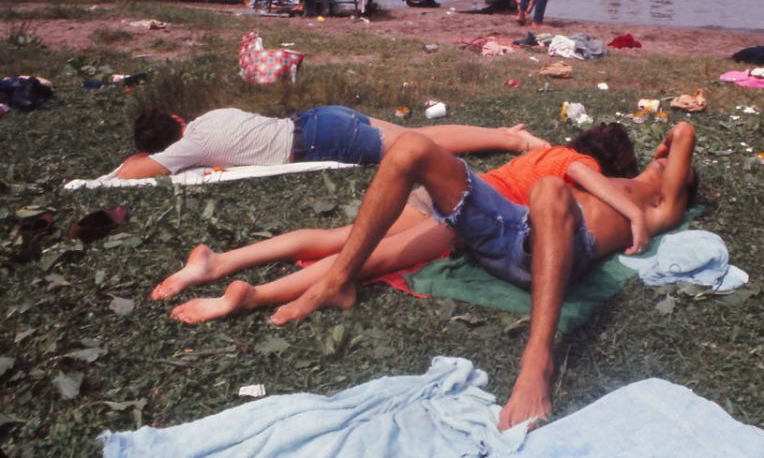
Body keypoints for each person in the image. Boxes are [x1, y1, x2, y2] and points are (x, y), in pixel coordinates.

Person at [255, 121, 697, 431]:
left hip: (555, 250)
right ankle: (338, 282)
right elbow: (675, 135)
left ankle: (537, 361)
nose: (665, 164)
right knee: (411, 147)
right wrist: (659, 152)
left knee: (549, 188)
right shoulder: (613, 184)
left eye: (675, 169)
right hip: (512, 227)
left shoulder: (659, 206)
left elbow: (685, 132)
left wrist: (667, 156)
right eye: (663, 160)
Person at [151, 123, 642, 319]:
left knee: (336, 237)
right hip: (464, 214)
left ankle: (221, 261)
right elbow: (585, 179)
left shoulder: (548, 152)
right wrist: (634, 212)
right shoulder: (581, 166)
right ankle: (255, 295)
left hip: (446, 190)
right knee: (370, 258)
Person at [116, 106, 549, 180]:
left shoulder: (185, 149)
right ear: (178, 119)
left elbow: (130, 172)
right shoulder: (209, 118)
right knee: (419, 137)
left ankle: (513, 143)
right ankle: (506, 137)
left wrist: (146, 156)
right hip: (320, 117)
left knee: (421, 148)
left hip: (322, 139)